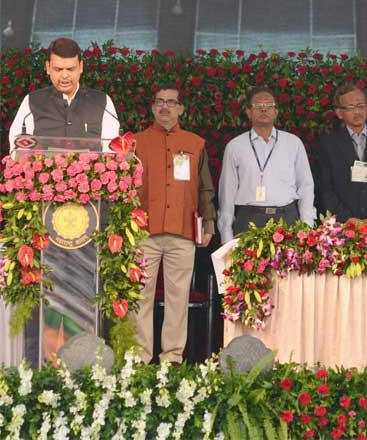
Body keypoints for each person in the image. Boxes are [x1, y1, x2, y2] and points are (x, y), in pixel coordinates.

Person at [134, 85, 216, 364]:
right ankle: (139, 359)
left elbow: (205, 189)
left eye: (171, 102)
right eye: (159, 102)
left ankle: (171, 359)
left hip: (182, 232)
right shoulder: (135, 143)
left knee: (177, 300)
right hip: (143, 231)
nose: (165, 107)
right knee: (139, 298)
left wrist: (209, 224)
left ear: (181, 108)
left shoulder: (195, 143)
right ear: (152, 107)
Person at [218, 86, 315, 243]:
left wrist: (307, 226)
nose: (263, 109)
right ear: (249, 112)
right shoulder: (235, 146)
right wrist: (226, 233)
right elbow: (226, 192)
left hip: (286, 219)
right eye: (257, 105)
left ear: (276, 111)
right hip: (248, 219)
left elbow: (305, 186)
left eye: (269, 105)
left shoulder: (293, 143)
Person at [8, 37, 119, 150]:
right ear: (48, 68)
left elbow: (113, 151)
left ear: (81, 67)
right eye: (58, 69)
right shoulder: (33, 101)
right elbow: (17, 148)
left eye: (70, 69)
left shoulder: (101, 102)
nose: (64, 75)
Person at [317, 83, 367, 222]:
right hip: (343, 223)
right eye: (350, 107)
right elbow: (325, 189)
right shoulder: (328, 144)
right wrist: (346, 218)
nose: (357, 112)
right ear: (339, 113)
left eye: (361, 106)